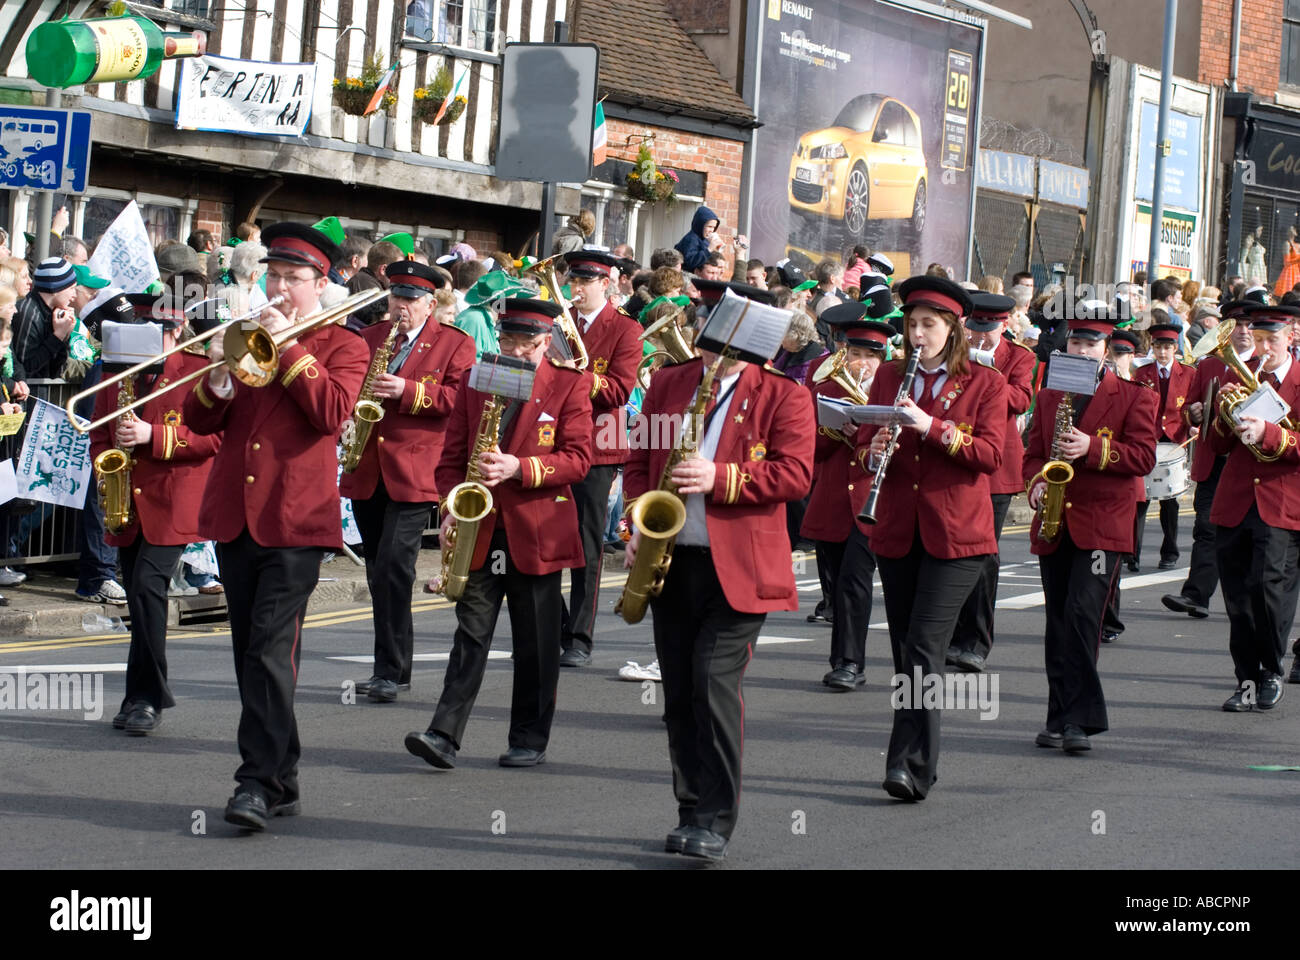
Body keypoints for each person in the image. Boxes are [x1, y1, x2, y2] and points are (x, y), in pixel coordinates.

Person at [183, 221, 371, 831]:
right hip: (236, 517)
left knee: (268, 649)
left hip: (297, 520)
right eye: (275, 275)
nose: (282, 287)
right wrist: (216, 375)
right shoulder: (243, 339)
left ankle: (255, 783)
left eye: (295, 278)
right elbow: (202, 420)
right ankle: (283, 774)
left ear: (323, 283)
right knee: (251, 655)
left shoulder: (344, 346)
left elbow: (330, 413)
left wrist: (288, 345)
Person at [623, 282, 815, 860]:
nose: (709, 352)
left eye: (723, 341)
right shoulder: (669, 382)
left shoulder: (785, 396)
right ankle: (690, 808)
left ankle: (716, 817)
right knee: (679, 693)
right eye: (706, 333)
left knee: (712, 684)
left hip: (740, 567)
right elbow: (639, 460)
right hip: (674, 559)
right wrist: (637, 521)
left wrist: (722, 478)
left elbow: (795, 476)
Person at [404, 298, 593, 769]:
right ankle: (443, 733)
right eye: (507, 341)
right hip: (481, 528)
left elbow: (579, 459)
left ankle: (529, 737)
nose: (516, 352)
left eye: (527, 346)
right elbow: (451, 457)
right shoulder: (480, 379)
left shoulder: (570, 385)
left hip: (537, 531)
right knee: (470, 634)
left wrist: (520, 467)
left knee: (536, 641)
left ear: (545, 343)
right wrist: (450, 508)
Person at [853, 277, 1006, 800]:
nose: (917, 335)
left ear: (952, 330)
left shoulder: (985, 382)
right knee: (906, 653)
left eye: (928, 326)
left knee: (923, 646)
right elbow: (861, 438)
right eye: (911, 325)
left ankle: (908, 765)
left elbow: (990, 456)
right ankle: (920, 760)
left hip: (957, 534)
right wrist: (872, 451)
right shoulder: (891, 375)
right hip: (898, 527)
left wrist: (930, 425)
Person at [1024, 308, 1157, 753]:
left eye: (1091, 345)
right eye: (1075, 344)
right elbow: (1033, 454)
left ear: (1106, 352)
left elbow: (1142, 458)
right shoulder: (1049, 397)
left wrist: (1093, 447)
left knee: (1083, 616)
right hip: (1056, 522)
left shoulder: (1136, 396)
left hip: (1101, 525)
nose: (1082, 351)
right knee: (1058, 621)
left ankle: (1080, 720)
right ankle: (1058, 716)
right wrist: (1037, 483)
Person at [341, 261, 475, 702]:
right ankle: (388, 667)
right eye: (396, 296)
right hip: (368, 467)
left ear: (430, 304)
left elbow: (461, 400)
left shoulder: (454, 344)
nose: (400, 306)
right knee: (380, 571)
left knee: (397, 567)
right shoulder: (371, 337)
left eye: (410, 299)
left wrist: (408, 391)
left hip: (415, 472)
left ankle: (393, 670)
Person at [93, 293, 221, 735]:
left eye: (165, 330)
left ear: (178, 329)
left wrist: (154, 435)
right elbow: (97, 433)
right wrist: (103, 466)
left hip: (172, 501)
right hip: (126, 502)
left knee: (149, 589)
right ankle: (136, 695)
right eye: (148, 330)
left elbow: (212, 440)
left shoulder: (195, 368)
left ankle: (150, 697)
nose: (158, 338)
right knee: (139, 599)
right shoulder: (115, 373)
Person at [1208, 303, 1300, 711]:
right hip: (1236, 500)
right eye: (1258, 340)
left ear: (1291, 337)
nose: (1263, 348)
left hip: (1280, 502)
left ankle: (1270, 670)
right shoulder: (1238, 376)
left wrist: (1269, 433)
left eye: (1272, 340)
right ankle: (1245, 681)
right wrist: (1223, 414)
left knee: (1267, 589)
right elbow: (1217, 447)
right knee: (1237, 599)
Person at [557, 250, 643, 667]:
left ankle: (579, 637)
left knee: (586, 544)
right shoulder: (560, 322)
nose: (575, 289)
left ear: (605, 284)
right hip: (549, 443)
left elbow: (619, 390)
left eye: (585, 283)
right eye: (572, 281)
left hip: (596, 446)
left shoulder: (625, 329)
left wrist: (571, 375)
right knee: (539, 539)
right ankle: (553, 626)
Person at [946, 293, 1035, 672]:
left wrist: (987, 371)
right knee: (951, 550)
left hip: (995, 466)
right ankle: (949, 635)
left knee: (984, 556)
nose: (981, 337)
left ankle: (976, 641)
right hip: (956, 456)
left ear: (1005, 325)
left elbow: (1021, 399)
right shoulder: (955, 350)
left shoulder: (1020, 356)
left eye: (989, 329)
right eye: (975, 329)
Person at [803, 303, 891, 688]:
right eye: (855, 354)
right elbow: (812, 449)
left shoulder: (896, 390)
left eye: (871, 356)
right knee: (836, 582)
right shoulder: (827, 387)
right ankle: (840, 657)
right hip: (834, 495)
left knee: (855, 580)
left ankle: (851, 663)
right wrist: (836, 430)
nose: (862, 363)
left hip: (875, 499)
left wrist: (868, 439)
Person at [1163, 305, 1257, 619]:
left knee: (1249, 535)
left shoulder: (1267, 365)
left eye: (1248, 326)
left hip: (1250, 462)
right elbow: (1189, 404)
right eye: (1236, 326)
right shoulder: (1210, 365)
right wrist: (1195, 411)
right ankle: (1196, 596)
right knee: (1206, 527)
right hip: (1215, 458)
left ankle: (1249, 600)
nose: (1242, 332)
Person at [1131, 322, 1194, 571]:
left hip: (1174, 442)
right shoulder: (1143, 373)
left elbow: (1192, 406)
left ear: (1175, 348)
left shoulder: (1189, 374)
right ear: (1153, 348)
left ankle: (1170, 553)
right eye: (1158, 347)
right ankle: (1131, 553)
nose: (1163, 352)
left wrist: (1193, 425)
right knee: (1140, 498)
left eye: (1168, 347)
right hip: (1149, 440)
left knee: (1170, 500)